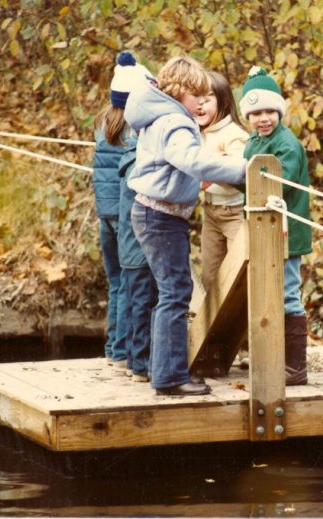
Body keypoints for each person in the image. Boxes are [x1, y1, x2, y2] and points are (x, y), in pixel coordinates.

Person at [125, 55, 247, 396]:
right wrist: (242, 169)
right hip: (161, 217)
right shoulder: (175, 122)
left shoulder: (159, 115)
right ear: (181, 93)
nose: (201, 102)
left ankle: (163, 368)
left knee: (171, 291)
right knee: (175, 293)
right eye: (198, 96)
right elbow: (191, 160)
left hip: (155, 213)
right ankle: (169, 376)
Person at [240, 66, 313, 386]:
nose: (264, 118)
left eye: (270, 111)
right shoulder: (254, 142)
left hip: (285, 233)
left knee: (287, 293)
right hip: (262, 231)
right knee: (264, 292)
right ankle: (271, 356)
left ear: (280, 111)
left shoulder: (287, 144)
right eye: (256, 113)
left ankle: (295, 367)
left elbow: (275, 184)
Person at [113, 53, 159, 383]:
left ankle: (132, 359)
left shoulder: (130, 148)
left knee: (135, 302)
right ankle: (139, 363)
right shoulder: (135, 161)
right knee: (142, 302)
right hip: (137, 245)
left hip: (132, 243)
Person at [92, 51, 139, 368]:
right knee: (127, 283)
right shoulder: (133, 129)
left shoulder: (101, 123)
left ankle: (112, 348)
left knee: (115, 283)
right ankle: (122, 351)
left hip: (103, 216)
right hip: (123, 216)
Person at [195, 71, 249, 290]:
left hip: (234, 212)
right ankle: (213, 322)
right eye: (196, 99)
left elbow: (237, 172)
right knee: (210, 274)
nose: (200, 105)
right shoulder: (197, 133)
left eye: (206, 100)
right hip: (210, 211)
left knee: (237, 272)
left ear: (224, 101)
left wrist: (207, 176)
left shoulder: (235, 134)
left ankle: (239, 321)